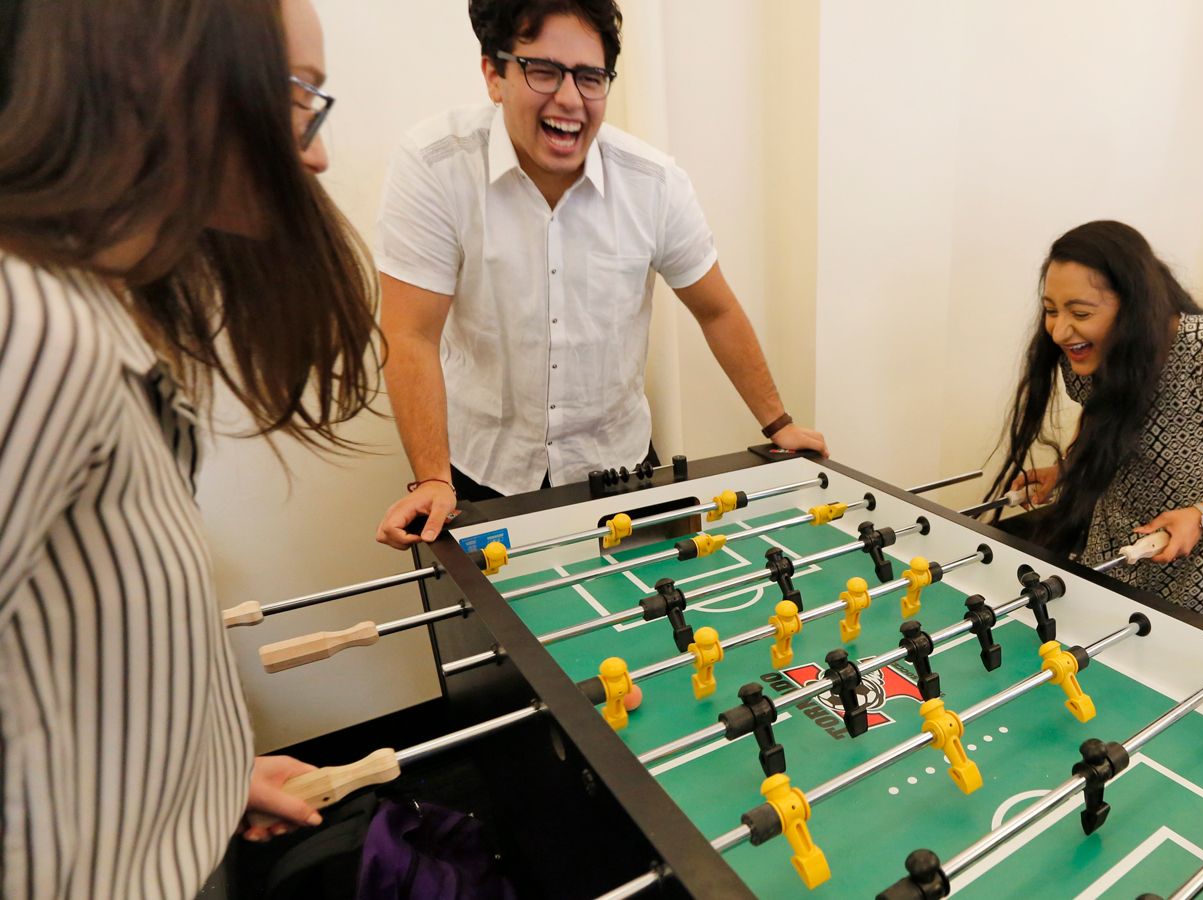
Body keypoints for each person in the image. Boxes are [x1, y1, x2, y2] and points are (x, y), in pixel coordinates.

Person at [0, 0, 379, 894]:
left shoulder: (93, 309)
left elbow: (68, 654)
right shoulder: (33, 323)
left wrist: (206, 782)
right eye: (298, 96)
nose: (315, 149)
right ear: (167, 69)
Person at [373, 0, 826, 550]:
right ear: (494, 75)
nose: (569, 98)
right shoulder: (435, 164)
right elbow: (409, 333)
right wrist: (432, 478)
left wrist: (778, 424)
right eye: (543, 70)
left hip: (622, 466)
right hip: (479, 473)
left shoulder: (653, 183)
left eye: (590, 77)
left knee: (657, 628)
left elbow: (716, 309)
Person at [986, 221, 1203, 635]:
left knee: (1190, 651)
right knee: (1101, 629)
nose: (1060, 330)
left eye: (1080, 312)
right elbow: (1102, 414)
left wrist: (1202, 514)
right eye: (1051, 310)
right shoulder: (1086, 350)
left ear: (1134, 305)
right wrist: (1068, 468)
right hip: (1132, 511)